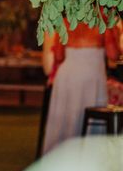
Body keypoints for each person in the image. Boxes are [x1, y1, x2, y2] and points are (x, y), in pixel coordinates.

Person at [42, 21, 120, 154]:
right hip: (91, 78)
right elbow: (113, 55)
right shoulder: (102, 21)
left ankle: (59, 159)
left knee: (65, 121)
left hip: (67, 77)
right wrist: (115, 35)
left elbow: (59, 56)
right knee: (92, 119)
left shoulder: (66, 22)